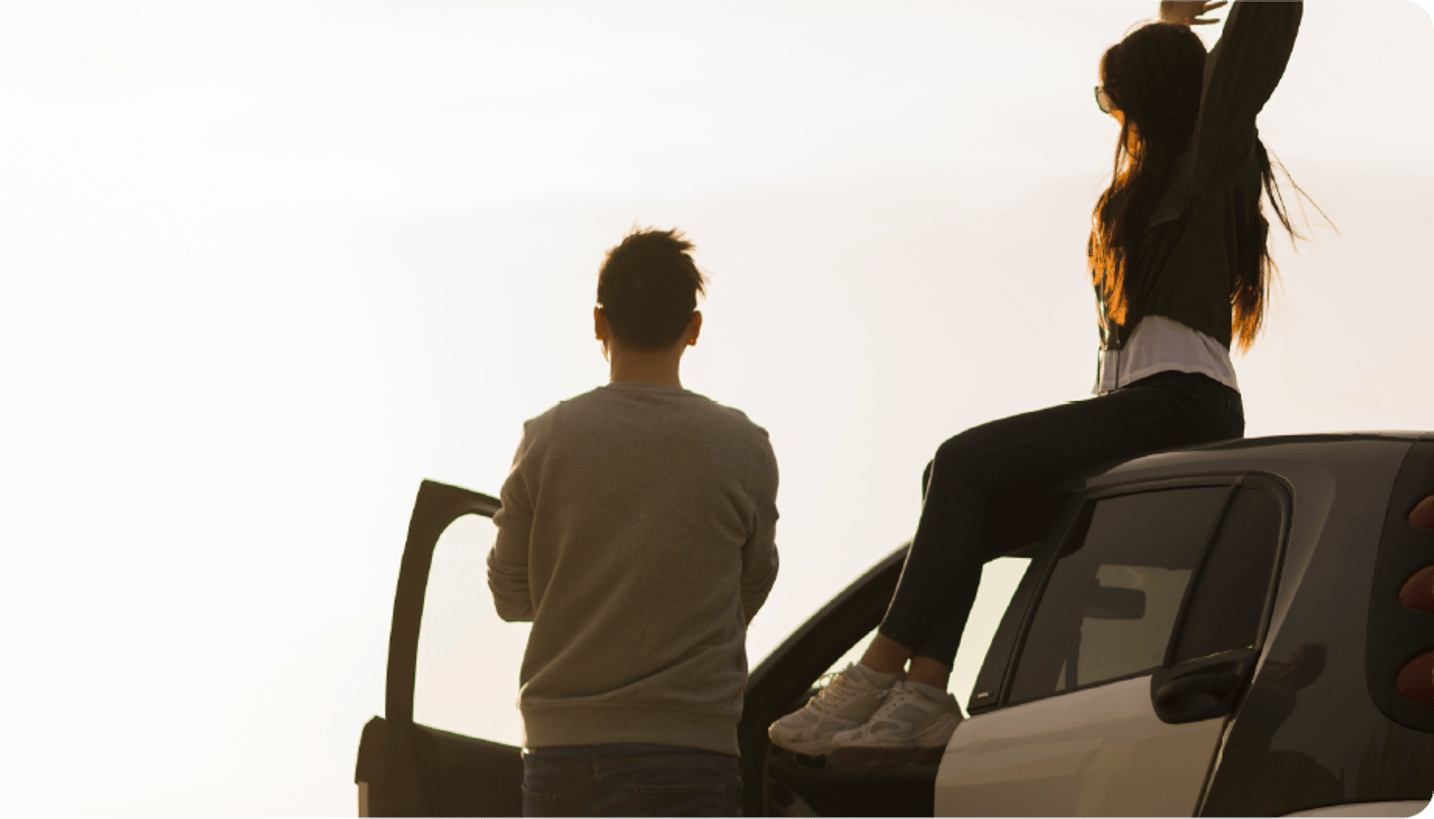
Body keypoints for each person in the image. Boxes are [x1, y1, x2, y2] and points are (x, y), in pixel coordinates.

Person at [768, 0, 1311, 774]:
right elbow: (1183, 85)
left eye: (1114, 101)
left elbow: (1253, 50)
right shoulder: (1153, 180)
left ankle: (878, 671)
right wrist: (1172, 23)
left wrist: (1184, 39)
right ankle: (924, 690)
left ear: (1150, 103)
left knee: (961, 459)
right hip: (1139, 408)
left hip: (1182, 405)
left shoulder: (1208, 157)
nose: (1112, 117)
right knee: (960, 490)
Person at [487, 227, 780, 818]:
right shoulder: (743, 447)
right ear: (693, 327)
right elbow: (750, 584)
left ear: (600, 322)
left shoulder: (546, 439)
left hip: (558, 756)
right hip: (690, 757)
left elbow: (510, 594)